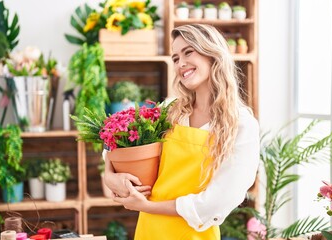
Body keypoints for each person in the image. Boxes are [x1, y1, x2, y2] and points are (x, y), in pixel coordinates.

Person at [103, 23, 260, 239]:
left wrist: (147, 206)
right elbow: (116, 138)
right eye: (175, 58)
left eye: (188, 52)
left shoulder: (241, 124)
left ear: (212, 54)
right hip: (149, 231)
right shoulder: (171, 110)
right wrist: (109, 173)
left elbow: (215, 202)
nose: (181, 64)